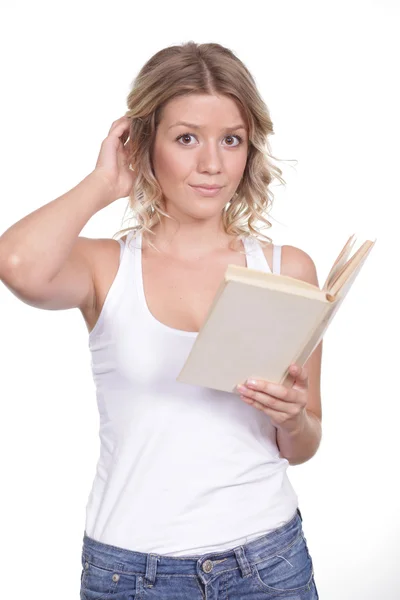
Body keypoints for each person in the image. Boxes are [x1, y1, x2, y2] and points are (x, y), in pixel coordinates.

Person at [0, 41, 322, 599]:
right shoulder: (104, 266)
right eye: (186, 138)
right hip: (131, 572)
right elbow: (17, 263)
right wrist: (104, 183)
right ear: (146, 143)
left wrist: (292, 419)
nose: (212, 164)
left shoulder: (285, 269)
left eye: (232, 140)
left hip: (268, 562)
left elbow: (305, 440)